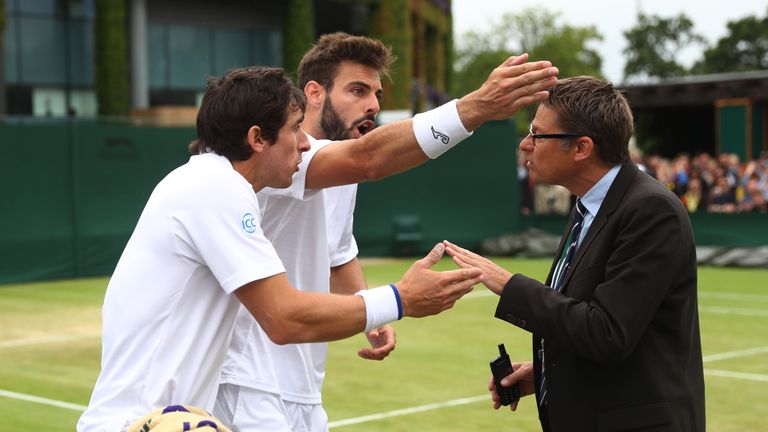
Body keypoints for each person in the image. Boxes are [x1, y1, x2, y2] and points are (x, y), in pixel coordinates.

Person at [78, 54, 559, 431]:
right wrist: (399, 299)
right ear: (256, 138)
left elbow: (338, 249)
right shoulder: (214, 187)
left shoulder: (223, 182)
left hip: (175, 418)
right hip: (140, 422)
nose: (306, 144)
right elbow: (283, 318)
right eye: (294, 131)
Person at [444, 76, 705, 432]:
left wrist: (509, 286)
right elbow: (590, 325)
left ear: (582, 147)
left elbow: (606, 333)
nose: (525, 145)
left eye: (537, 134)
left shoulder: (650, 210)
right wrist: (546, 373)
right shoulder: (590, 206)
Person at [215, 33, 397, 431]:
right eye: (357, 90)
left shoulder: (344, 169)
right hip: (246, 377)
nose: (373, 105)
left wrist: (370, 314)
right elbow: (372, 159)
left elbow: (338, 252)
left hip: (303, 381)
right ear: (315, 92)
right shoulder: (285, 156)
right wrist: (474, 109)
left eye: (376, 93)